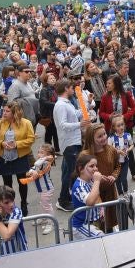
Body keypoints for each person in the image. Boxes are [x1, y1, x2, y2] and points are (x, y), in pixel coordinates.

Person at [0, 102, 35, 215]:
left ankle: (24, 203)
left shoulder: (26, 123)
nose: (4, 113)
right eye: (3, 110)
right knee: (7, 184)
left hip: (20, 157)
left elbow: (31, 139)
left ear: (15, 113)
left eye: (7, 111)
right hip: (4, 158)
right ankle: (10, 205)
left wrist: (16, 144)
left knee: (22, 182)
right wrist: (2, 143)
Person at [54, 79, 90, 211]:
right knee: (70, 173)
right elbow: (63, 125)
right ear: (66, 89)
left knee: (67, 172)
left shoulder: (65, 103)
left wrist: (88, 104)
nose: (73, 90)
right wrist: (80, 124)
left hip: (72, 141)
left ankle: (66, 198)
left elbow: (75, 114)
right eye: (71, 87)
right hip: (69, 143)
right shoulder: (61, 105)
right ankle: (63, 200)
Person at [81, 122, 120, 232]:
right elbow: (81, 172)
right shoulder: (85, 155)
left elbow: (117, 166)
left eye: (104, 134)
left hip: (110, 191)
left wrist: (113, 176)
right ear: (91, 139)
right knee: (98, 221)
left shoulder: (111, 150)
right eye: (99, 136)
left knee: (110, 219)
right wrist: (95, 178)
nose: (104, 138)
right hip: (94, 192)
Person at [20, 143, 56, 235]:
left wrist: (43, 158)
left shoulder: (45, 162)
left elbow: (36, 163)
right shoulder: (41, 162)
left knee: (47, 205)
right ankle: (44, 217)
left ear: (48, 155)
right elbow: (31, 169)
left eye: (42, 152)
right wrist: (32, 172)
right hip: (42, 189)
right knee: (43, 204)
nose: (39, 154)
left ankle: (50, 222)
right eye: (38, 152)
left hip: (47, 189)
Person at [69, 153, 104, 239]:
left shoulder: (90, 181)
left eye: (96, 166)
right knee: (100, 237)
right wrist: (97, 181)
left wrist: (101, 207)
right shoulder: (79, 186)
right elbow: (90, 201)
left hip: (92, 222)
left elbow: (96, 195)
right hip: (81, 226)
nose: (95, 169)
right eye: (92, 166)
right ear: (81, 169)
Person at [108, 114, 133, 194]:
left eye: (122, 125)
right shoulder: (111, 138)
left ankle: (126, 192)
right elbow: (109, 149)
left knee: (124, 178)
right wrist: (118, 151)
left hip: (125, 161)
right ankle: (120, 193)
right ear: (114, 127)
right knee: (117, 179)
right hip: (115, 162)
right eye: (118, 126)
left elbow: (131, 144)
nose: (121, 127)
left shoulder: (128, 135)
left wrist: (129, 149)